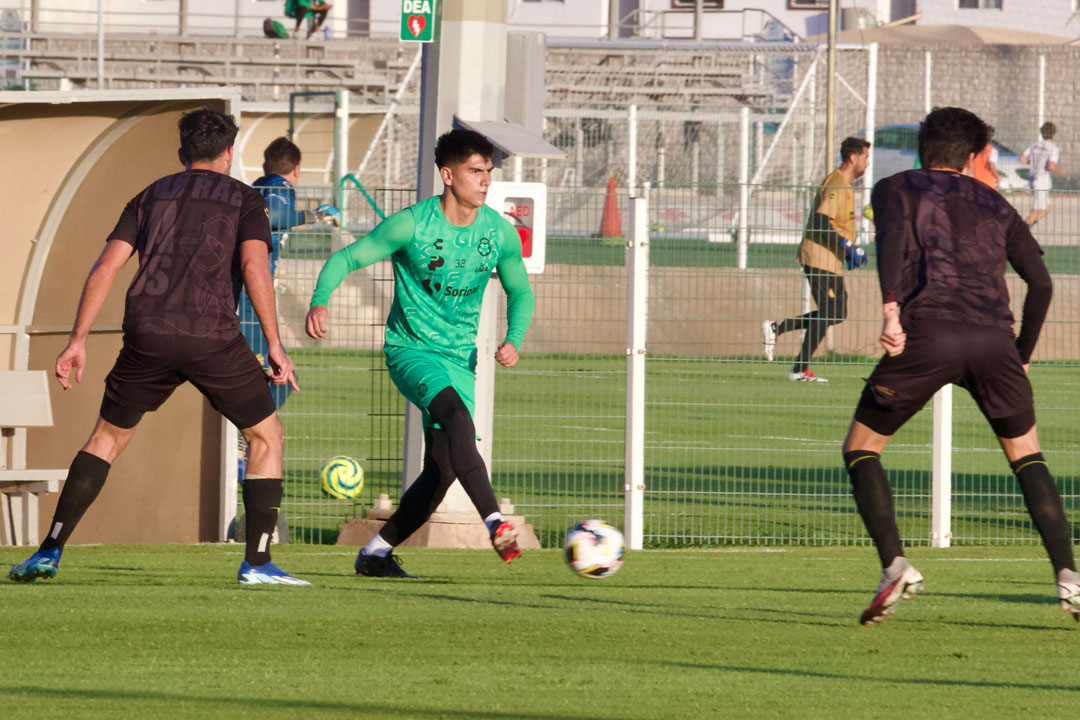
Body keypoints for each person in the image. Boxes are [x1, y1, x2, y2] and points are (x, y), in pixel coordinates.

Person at [8, 108, 308, 587]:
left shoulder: (150, 194)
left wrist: (77, 341)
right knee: (266, 435)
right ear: (229, 153)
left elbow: (105, 268)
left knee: (106, 438)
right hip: (211, 336)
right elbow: (255, 267)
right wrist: (274, 343)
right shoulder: (244, 199)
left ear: (181, 154)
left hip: (147, 332)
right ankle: (257, 562)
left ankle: (49, 551)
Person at [844, 106, 1078, 625]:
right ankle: (1069, 577)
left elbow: (891, 244)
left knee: (862, 448)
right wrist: (1021, 357)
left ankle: (896, 566)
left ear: (922, 150)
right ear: (974, 156)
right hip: (996, 340)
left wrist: (890, 310)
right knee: (1026, 456)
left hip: (928, 333)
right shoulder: (996, 203)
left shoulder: (896, 187)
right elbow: (1042, 284)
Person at [305, 128, 534, 578]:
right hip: (411, 350)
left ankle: (375, 554)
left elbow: (520, 290)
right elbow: (346, 259)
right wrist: (320, 298)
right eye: (475, 171)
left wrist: (515, 337)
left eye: (488, 171)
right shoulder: (412, 224)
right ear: (448, 175)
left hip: (459, 358)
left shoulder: (499, 233)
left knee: (442, 469)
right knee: (455, 416)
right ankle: (495, 522)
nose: (485, 180)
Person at [761, 136, 871, 383]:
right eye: (865, 157)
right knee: (830, 310)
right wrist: (846, 245)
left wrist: (848, 249)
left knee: (837, 311)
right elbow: (821, 221)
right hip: (819, 257)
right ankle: (799, 369)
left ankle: (778, 327)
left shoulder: (845, 184)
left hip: (831, 259)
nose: (867, 163)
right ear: (853, 158)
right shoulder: (837, 185)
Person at [245, 137, 337, 410]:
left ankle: (247, 440)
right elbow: (273, 215)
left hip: (250, 292)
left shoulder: (256, 187)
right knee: (281, 376)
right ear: (296, 169)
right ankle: (244, 440)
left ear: (265, 165)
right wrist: (315, 215)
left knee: (276, 375)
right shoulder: (279, 187)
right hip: (250, 296)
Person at [1019, 121, 1065, 227]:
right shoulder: (1053, 148)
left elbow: (1022, 158)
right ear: (1054, 133)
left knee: (1047, 207)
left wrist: (1033, 163)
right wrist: (1061, 171)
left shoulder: (1034, 144)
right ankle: (1022, 229)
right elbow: (1050, 166)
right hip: (1042, 179)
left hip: (1033, 178)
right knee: (1037, 209)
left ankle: (1027, 226)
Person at [972, 125, 999, 190]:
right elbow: (991, 165)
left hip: (975, 183)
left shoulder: (975, 150)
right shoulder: (992, 150)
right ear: (992, 137)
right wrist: (997, 176)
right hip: (988, 184)